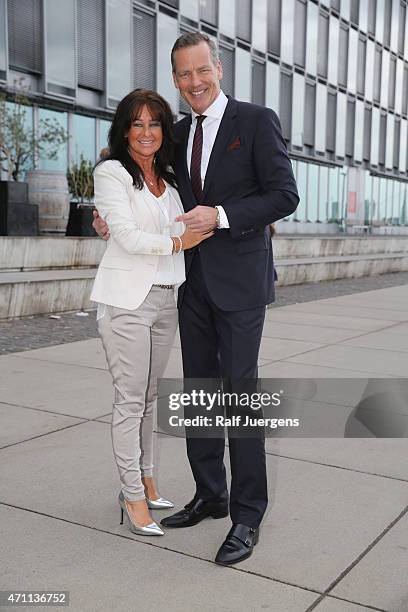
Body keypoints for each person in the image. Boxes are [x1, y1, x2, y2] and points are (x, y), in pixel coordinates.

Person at [93, 33, 299, 565]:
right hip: (190, 286)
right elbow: (146, 194)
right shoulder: (176, 133)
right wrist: (106, 219)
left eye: (201, 71)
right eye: (183, 75)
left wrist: (223, 216)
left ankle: (247, 515)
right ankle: (211, 494)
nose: (194, 83)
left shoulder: (256, 121)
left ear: (219, 68)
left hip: (241, 286)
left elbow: (284, 194)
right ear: (176, 80)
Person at [90, 89, 213, 537]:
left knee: (148, 400)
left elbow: (175, 225)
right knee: (128, 401)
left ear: (165, 130)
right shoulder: (112, 173)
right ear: (125, 129)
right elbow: (125, 236)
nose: (146, 132)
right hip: (126, 300)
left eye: (154, 123)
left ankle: (147, 478)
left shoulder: (171, 181)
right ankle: (131, 494)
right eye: (137, 123)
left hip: (166, 298)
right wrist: (179, 243)